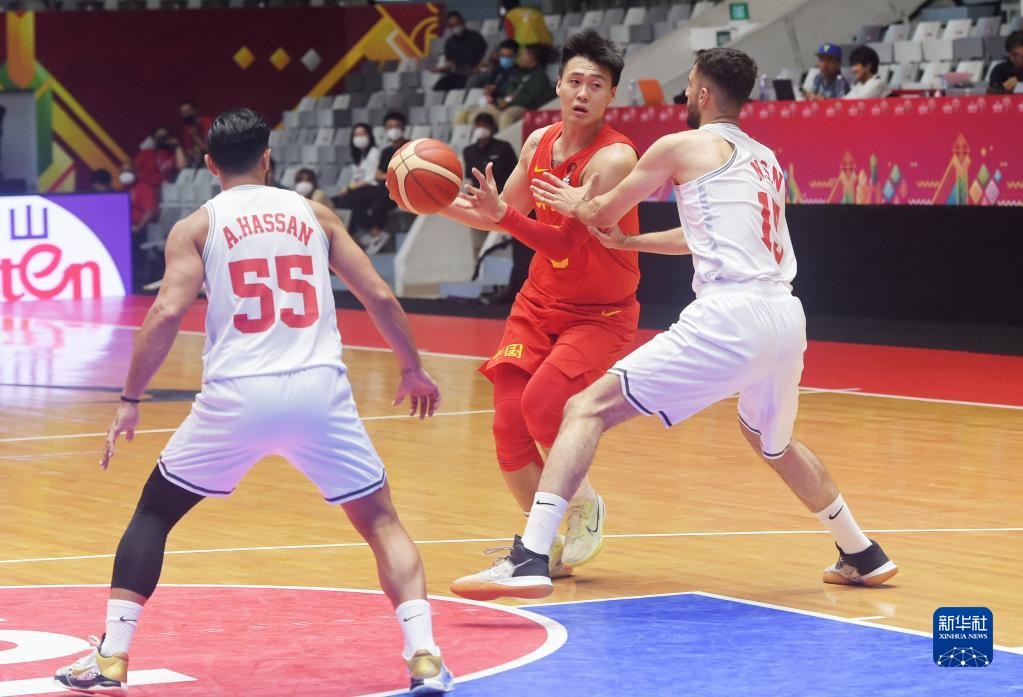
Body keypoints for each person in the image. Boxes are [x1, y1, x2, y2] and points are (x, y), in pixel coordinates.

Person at [452, 47, 901, 601]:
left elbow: (597, 211)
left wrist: (576, 203)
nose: (685, 94)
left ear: (704, 94)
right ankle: (861, 551)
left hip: (729, 316)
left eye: (689, 86)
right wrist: (631, 242)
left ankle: (530, 557)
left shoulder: (677, 145)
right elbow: (700, 236)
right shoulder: (765, 160)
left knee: (584, 409)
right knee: (773, 442)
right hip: (786, 317)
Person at [53, 108, 454, 695]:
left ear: (209, 164)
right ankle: (423, 655)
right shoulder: (316, 214)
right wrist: (412, 368)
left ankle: (112, 656)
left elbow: (166, 313)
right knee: (381, 521)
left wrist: (130, 397)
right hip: (319, 391)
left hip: (236, 397)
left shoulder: (197, 226)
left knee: (155, 514)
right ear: (268, 157)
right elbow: (377, 295)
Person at [418, 30, 642, 590]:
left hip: (599, 313)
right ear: (558, 85)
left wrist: (501, 215)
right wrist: (433, 202)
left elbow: (561, 241)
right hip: (538, 303)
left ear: (612, 94)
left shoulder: (615, 158)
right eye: (575, 81)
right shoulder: (538, 142)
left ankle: (583, 502)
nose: (583, 93)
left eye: (596, 85)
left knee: (544, 406)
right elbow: (500, 213)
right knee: (507, 427)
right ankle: (547, 545)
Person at [465, 44, 554, 130]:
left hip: (524, 108)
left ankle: (503, 140)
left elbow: (530, 97)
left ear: (532, 57)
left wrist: (508, 103)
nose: (520, 58)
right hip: (507, 105)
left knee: (506, 117)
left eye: (523, 55)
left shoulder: (540, 77)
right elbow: (511, 92)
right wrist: (504, 100)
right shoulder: (519, 73)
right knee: (476, 115)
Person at [334, 123, 385, 250]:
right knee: (336, 202)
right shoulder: (359, 156)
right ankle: (354, 237)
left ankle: (375, 232)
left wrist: (349, 188)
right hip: (360, 189)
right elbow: (356, 178)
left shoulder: (374, 152)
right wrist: (347, 189)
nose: (359, 137)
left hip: (374, 188)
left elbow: (370, 178)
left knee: (347, 202)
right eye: (356, 134)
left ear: (369, 136)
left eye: (363, 134)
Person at [432, 10, 488, 91]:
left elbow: (485, 58)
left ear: (463, 22)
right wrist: (440, 69)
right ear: (449, 27)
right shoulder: (450, 42)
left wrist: (475, 70)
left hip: (475, 72)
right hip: (459, 74)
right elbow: (449, 64)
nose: (456, 27)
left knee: (467, 83)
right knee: (440, 85)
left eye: (457, 24)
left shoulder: (475, 37)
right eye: (452, 26)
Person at [178, 100, 213, 167]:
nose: (185, 115)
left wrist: (195, 136)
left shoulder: (207, 123)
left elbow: (212, 151)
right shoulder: (186, 128)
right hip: (198, 164)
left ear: (195, 111)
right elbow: (189, 152)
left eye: (187, 111)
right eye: (183, 113)